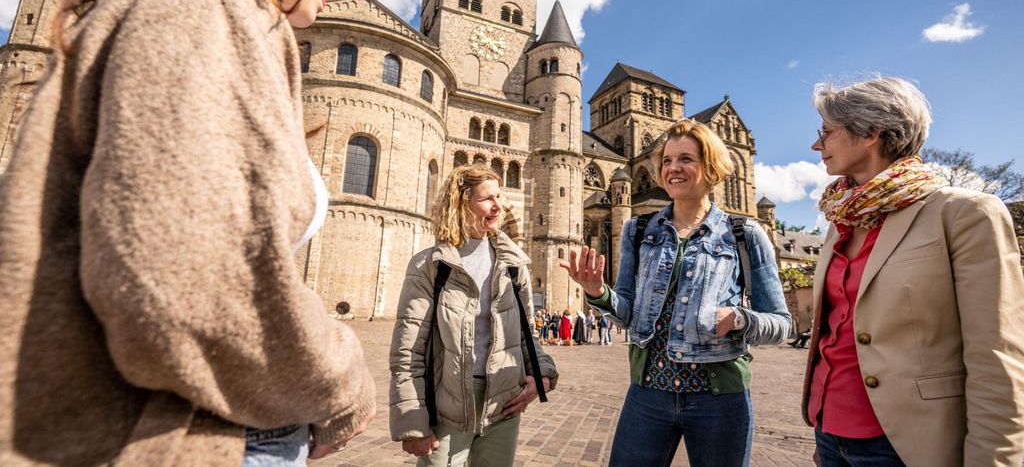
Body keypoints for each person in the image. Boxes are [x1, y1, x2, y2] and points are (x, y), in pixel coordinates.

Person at [0, 0, 376, 466]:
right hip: (181, 430)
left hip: (198, 419)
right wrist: (342, 381)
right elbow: (181, 279)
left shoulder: (193, 0)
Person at [802, 77, 1024, 466]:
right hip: (831, 433)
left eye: (826, 132)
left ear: (870, 132)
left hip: (907, 442)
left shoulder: (965, 213)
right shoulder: (841, 218)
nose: (816, 145)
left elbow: (997, 355)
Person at [562, 118, 791, 467]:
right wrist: (599, 293)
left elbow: (781, 323)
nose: (673, 168)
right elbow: (627, 312)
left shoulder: (745, 234)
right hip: (648, 393)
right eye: (667, 161)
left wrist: (740, 318)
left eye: (686, 159)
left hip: (720, 398)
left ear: (711, 167)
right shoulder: (638, 230)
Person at [390, 165, 557, 466]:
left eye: (499, 197)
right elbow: (408, 350)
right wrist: (413, 421)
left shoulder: (514, 264)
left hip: (504, 402)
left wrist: (542, 374)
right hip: (446, 405)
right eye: (487, 199)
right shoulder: (428, 266)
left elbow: (526, 333)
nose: (498, 206)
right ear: (460, 201)